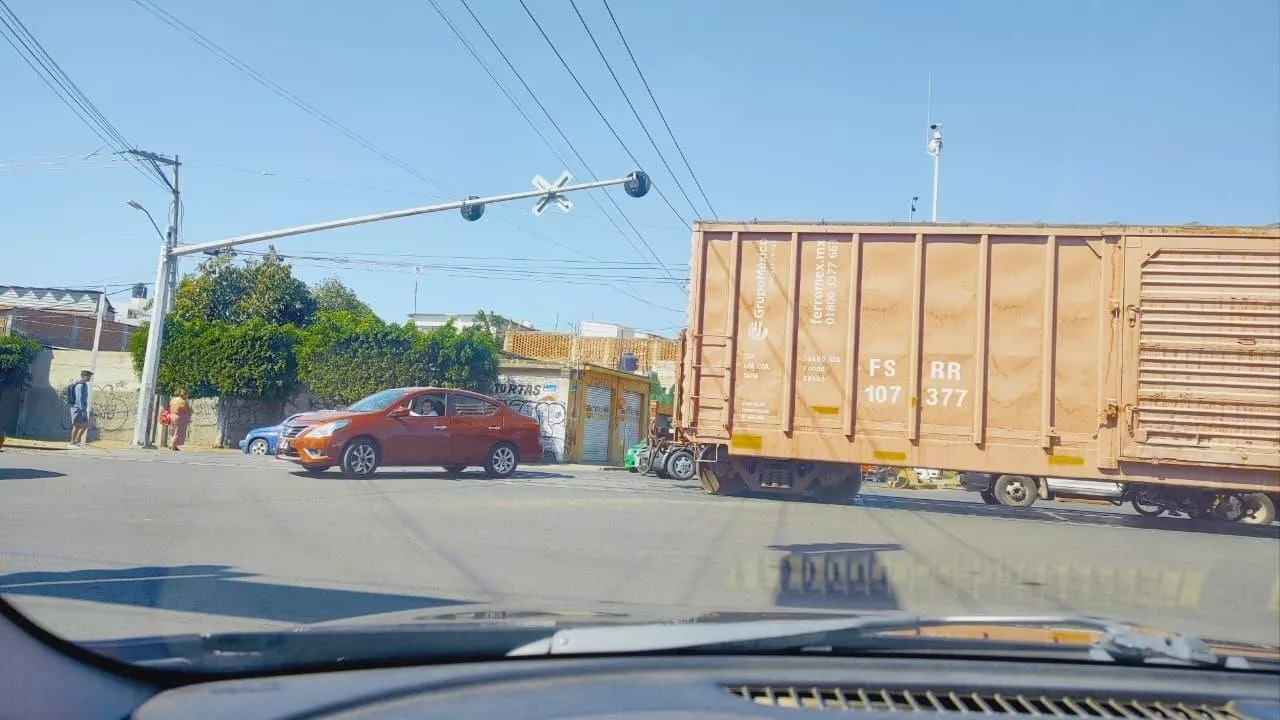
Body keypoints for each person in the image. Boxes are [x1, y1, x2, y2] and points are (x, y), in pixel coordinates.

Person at [66, 370, 93, 449]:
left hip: (82, 408)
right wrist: (82, 410)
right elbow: (79, 399)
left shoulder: (85, 385)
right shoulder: (80, 386)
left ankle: (77, 441)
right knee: (77, 425)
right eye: (89, 376)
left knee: (85, 425)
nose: (90, 378)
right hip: (77, 408)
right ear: (84, 376)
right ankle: (72, 442)